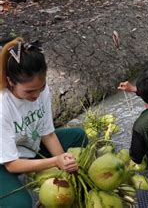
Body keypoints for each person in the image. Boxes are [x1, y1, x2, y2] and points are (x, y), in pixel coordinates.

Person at [0, 38, 88, 207]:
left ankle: (40, 179)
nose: (36, 96)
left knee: (79, 137)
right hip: (4, 162)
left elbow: (47, 134)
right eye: (29, 91)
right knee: (20, 204)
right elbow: (12, 164)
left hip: (27, 147)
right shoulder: (2, 107)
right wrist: (55, 162)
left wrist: (65, 167)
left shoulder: (40, 91)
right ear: (11, 82)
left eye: (41, 88)